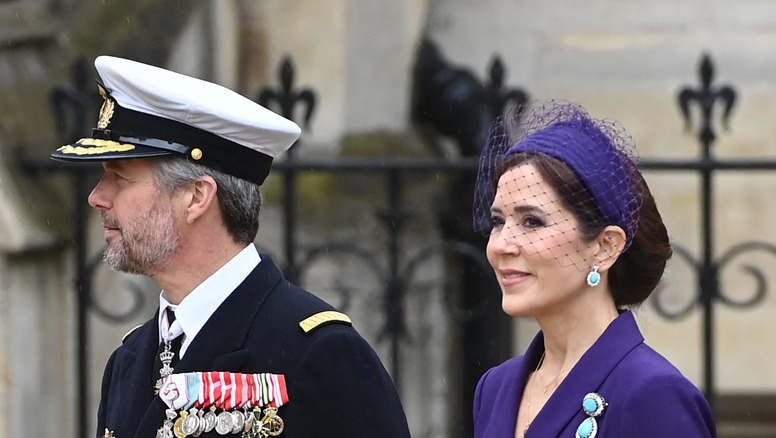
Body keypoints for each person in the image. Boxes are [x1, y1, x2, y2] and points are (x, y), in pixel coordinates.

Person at [51, 56, 411, 438]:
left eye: (119, 178)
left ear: (196, 196)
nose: (96, 197)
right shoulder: (131, 358)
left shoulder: (319, 353)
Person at [471, 100, 716, 438]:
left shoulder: (652, 395)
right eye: (498, 221)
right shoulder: (495, 388)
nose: (501, 244)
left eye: (532, 221)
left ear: (605, 247)